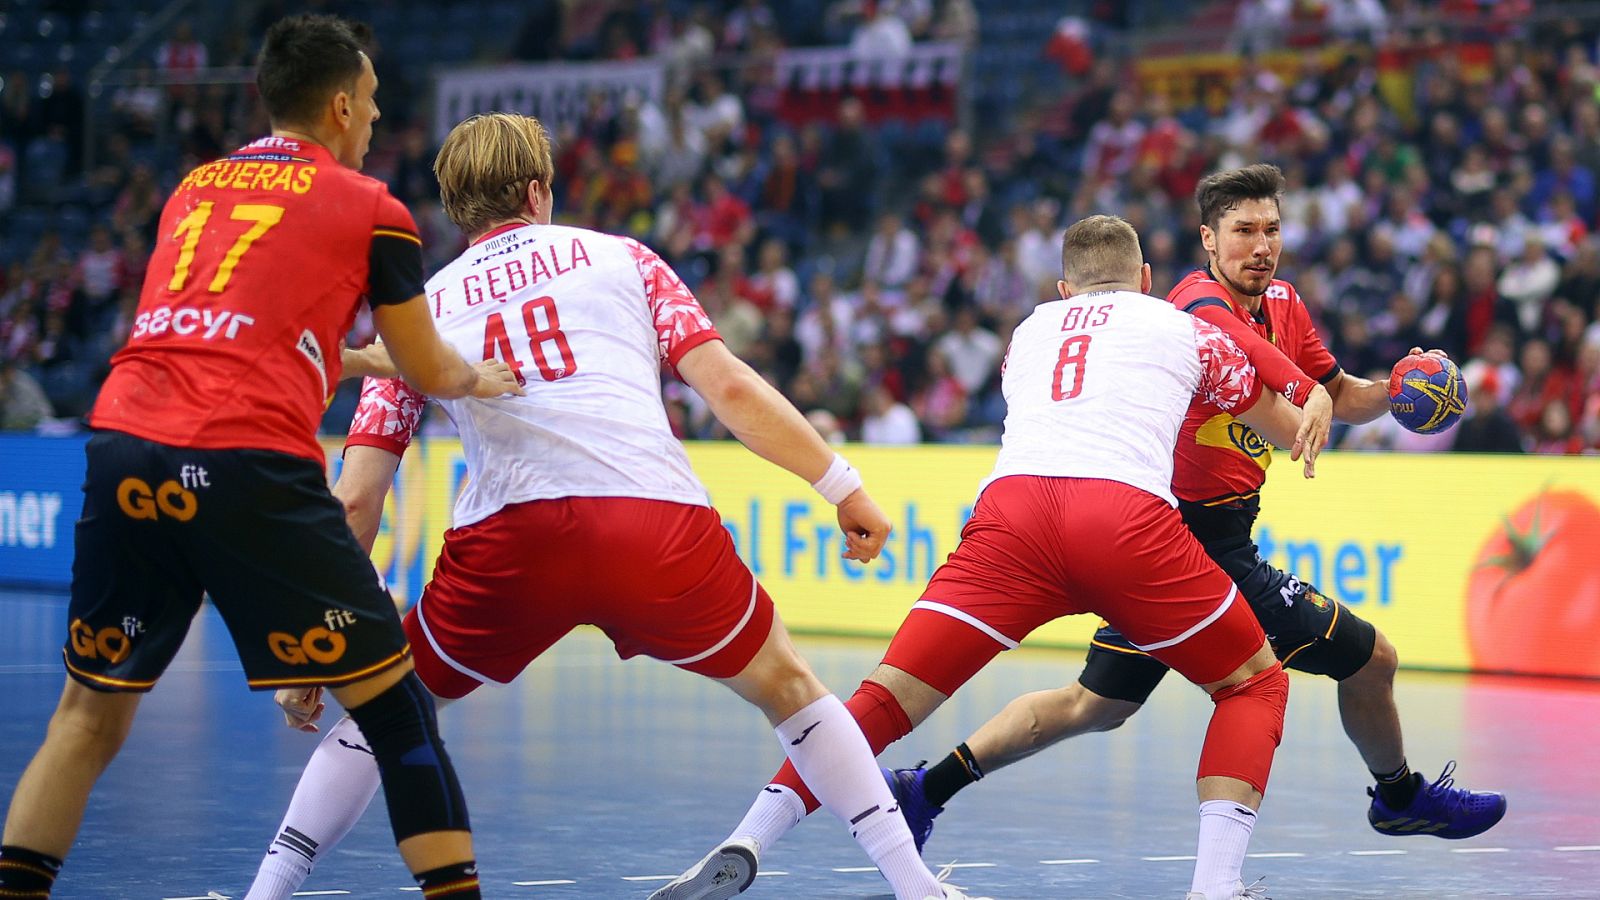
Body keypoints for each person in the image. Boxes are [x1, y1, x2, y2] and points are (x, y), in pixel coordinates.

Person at [244, 111, 965, 900]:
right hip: (651, 524)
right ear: (537, 191)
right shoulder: (626, 258)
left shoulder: (415, 314)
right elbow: (727, 388)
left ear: (454, 208)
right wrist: (841, 485)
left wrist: (317, 644)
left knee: (384, 709)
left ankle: (266, 892)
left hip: (510, 542)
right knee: (791, 690)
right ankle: (916, 889)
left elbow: (357, 499)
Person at [0, 15, 522, 900]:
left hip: (124, 446)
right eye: (372, 101)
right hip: (243, 460)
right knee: (399, 716)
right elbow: (431, 369)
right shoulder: (373, 209)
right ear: (342, 104)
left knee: (84, 719)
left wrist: (354, 361)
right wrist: (478, 378)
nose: (375, 119)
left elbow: (244, 337)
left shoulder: (194, 189)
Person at [654, 214, 1312, 900]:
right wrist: (1322, 405)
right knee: (1253, 685)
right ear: (1145, 280)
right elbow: (1273, 419)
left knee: (884, 700)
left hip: (1012, 518)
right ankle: (1215, 887)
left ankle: (750, 836)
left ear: (1063, 289)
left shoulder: (1028, 333)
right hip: (1123, 520)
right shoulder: (1185, 327)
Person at [892, 165, 1507, 860]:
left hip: (1167, 546)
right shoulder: (1191, 302)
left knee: (1095, 705)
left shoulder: (1285, 303)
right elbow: (1270, 369)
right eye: (1243, 231)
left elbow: (1337, 393)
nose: (1261, 246)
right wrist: (1306, 390)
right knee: (1369, 659)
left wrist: (1398, 387)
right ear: (1209, 240)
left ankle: (924, 788)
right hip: (1195, 544)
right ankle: (1398, 798)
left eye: (1271, 230)